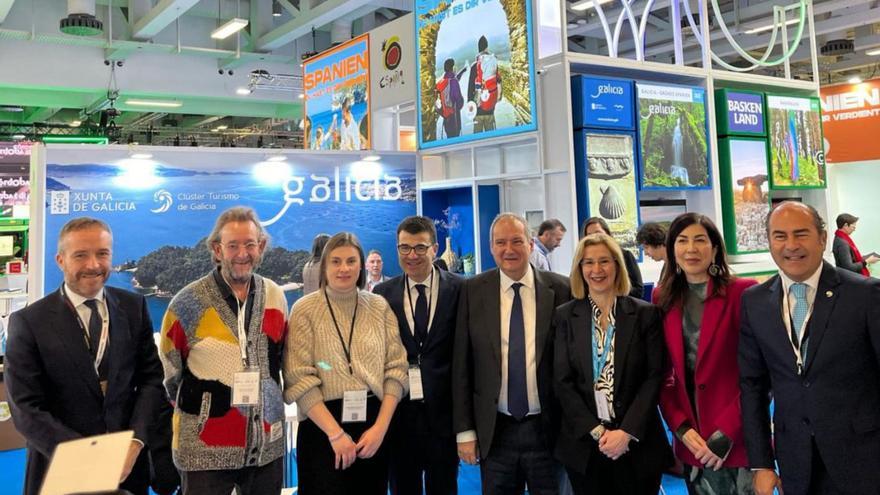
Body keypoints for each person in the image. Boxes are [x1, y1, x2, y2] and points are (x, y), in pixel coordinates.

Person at [5, 217, 165, 495]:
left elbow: (151, 380)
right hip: (60, 465)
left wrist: (136, 441)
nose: (93, 265)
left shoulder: (133, 307)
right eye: (81, 255)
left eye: (102, 253)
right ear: (60, 260)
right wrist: (85, 457)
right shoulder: (29, 321)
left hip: (125, 467)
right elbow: (24, 407)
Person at [739, 201, 880, 495]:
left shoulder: (865, 294)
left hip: (865, 459)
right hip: (796, 462)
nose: (791, 245)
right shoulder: (755, 302)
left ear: (823, 238)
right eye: (780, 236)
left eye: (801, 234)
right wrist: (762, 463)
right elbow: (753, 386)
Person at [159, 207, 289, 494]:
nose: (242, 253)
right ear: (217, 249)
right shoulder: (187, 303)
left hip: (267, 446)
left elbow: (279, 361)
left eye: (250, 244)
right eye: (233, 245)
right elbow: (170, 375)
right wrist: (207, 408)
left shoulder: (276, 297)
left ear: (262, 247)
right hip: (204, 450)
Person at [453, 213, 571, 495]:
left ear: (530, 244)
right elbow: (462, 365)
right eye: (500, 242)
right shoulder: (472, 290)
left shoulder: (562, 289)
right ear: (491, 247)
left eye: (517, 241)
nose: (509, 249)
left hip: (548, 428)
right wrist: (465, 431)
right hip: (496, 430)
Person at [284, 232, 408, 495]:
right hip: (323, 430)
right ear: (324, 266)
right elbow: (299, 377)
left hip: (373, 429)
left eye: (351, 261)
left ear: (361, 266)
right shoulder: (305, 309)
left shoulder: (379, 307)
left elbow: (396, 370)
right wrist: (336, 435)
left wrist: (380, 428)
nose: (344, 268)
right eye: (336, 261)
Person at [554, 233, 671, 494]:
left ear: (617, 265)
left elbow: (654, 376)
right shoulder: (565, 316)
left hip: (637, 443)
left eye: (604, 261)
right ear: (579, 269)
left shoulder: (644, 314)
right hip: (586, 445)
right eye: (588, 262)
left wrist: (625, 432)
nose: (597, 270)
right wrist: (597, 432)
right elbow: (562, 382)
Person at [652, 213, 757, 494]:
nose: (691, 249)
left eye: (700, 240)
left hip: (738, 440)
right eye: (682, 241)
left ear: (714, 248)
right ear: (672, 249)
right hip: (693, 443)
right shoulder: (662, 297)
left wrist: (727, 432)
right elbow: (662, 373)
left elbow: (759, 374)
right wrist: (681, 428)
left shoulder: (743, 293)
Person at [374, 216, 464, 495]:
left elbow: (465, 356)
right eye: (404, 248)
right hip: (399, 418)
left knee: (444, 488)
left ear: (434, 249)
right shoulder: (382, 294)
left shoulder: (460, 289)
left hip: (444, 420)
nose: (412, 255)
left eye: (420, 248)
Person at [582, 217, 643, 300]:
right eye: (589, 235)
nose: (594, 238)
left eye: (598, 233)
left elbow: (638, 290)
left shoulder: (625, 255)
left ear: (608, 234)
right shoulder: (581, 259)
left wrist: (612, 292)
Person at [468, 35, 502, 133]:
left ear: (478, 49)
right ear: (487, 47)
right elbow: (498, 81)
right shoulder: (493, 62)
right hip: (490, 108)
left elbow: (470, 88)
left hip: (478, 110)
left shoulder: (474, 66)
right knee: (491, 138)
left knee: (477, 140)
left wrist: (470, 104)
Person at [832, 212, 878, 276]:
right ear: (845, 225)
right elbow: (849, 267)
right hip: (849, 279)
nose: (854, 230)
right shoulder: (843, 243)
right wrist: (867, 261)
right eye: (853, 227)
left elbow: (851, 259)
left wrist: (865, 258)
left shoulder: (839, 237)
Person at [436, 58, 464, 139]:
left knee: (449, 139)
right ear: (453, 67)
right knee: (456, 140)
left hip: (446, 118)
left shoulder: (441, 82)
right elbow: (459, 102)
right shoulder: (453, 81)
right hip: (454, 118)